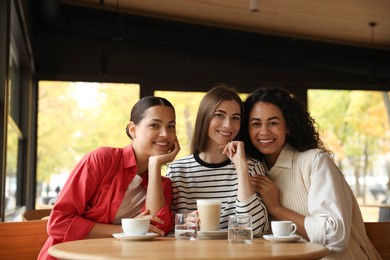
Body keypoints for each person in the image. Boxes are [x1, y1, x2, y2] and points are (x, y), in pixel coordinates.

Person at [244, 87, 381, 259]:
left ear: (288, 126)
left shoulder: (315, 161)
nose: (264, 131)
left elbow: (335, 236)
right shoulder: (254, 172)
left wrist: (276, 208)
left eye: (273, 123)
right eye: (256, 123)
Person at [38, 96, 181, 260]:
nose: (165, 134)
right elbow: (58, 223)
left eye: (171, 127)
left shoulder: (162, 184)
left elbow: (157, 230)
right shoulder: (102, 159)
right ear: (133, 130)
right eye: (155, 125)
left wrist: (154, 165)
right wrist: (124, 229)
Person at [166, 85, 269, 236]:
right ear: (205, 117)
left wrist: (241, 167)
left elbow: (257, 229)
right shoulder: (177, 171)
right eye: (219, 115)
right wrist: (183, 225)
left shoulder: (252, 167)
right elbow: (164, 229)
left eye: (235, 118)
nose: (228, 125)